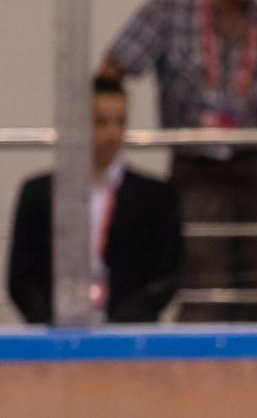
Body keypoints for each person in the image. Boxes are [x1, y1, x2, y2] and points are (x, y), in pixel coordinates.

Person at [99, 0, 257, 323]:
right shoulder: (170, 10)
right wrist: (110, 123)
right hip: (195, 168)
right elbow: (111, 70)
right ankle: (198, 382)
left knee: (255, 290)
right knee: (201, 286)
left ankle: (252, 382)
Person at [8, 78, 182, 324]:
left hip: (128, 332)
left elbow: (166, 275)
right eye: (100, 122)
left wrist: (125, 320)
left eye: (120, 122)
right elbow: (21, 276)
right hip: (53, 329)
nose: (112, 132)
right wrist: (50, 319)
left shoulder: (155, 196)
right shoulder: (38, 193)